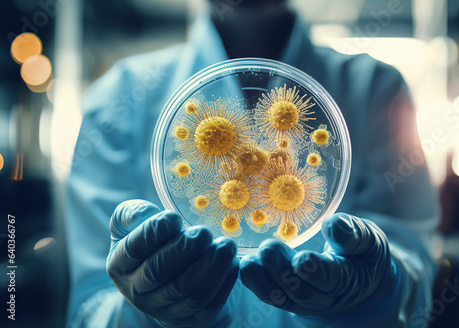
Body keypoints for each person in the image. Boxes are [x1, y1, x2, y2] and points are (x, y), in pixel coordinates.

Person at [65, 0, 439, 327]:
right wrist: (141, 314)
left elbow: (417, 289)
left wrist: (379, 292)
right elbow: (88, 312)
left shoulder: (375, 87)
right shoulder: (119, 97)